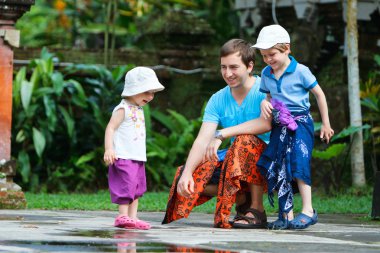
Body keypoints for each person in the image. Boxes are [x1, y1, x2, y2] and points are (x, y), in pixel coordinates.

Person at [162, 39, 272, 228]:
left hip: (270, 162)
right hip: (236, 163)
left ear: (250, 66)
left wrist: (222, 134)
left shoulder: (266, 89)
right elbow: (203, 139)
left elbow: (266, 123)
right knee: (185, 176)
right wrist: (188, 172)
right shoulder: (217, 99)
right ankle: (241, 196)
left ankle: (257, 210)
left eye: (234, 67)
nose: (228, 74)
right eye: (223, 67)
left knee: (244, 141)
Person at [252, 24, 334, 230]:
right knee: (280, 166)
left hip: (300, 123)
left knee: (299, 161)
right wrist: (265, 101)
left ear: (287, 48)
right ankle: (286, 213)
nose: (268, 59)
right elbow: (268, 95)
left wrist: (325, 123)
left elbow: (319, 94)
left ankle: (308, 210)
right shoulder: (266, 73)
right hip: (279, 124)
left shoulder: (300, 71)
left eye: (272, 54)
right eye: (264, 56)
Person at [103, 66, 165, 230]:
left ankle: (133, 217)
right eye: (147, 92)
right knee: (126, 185)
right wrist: (109, 149)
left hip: (137, 156)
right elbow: (110, 128)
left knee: (136, 188)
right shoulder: (122, 109)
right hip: (123, 155)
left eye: (153, 93)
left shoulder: (138, 108)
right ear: (134, 89)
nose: (151, 97)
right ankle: (122, 215)